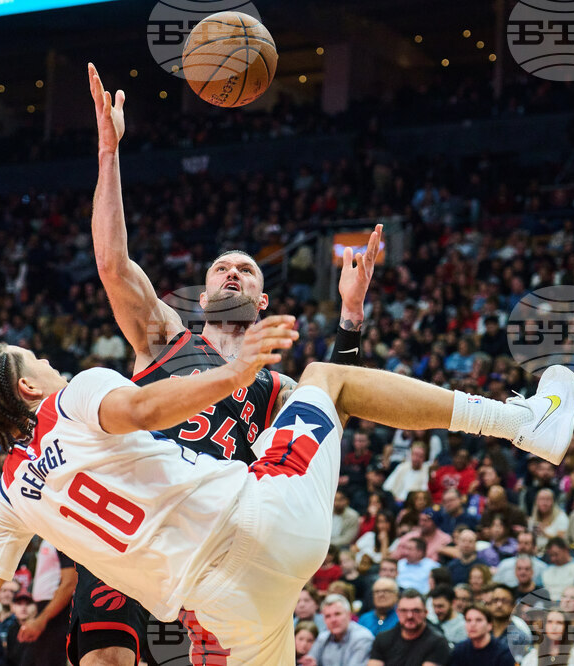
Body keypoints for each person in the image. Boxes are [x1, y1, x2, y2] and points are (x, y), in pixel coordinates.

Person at [0, 326, 574, 664]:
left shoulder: (7, 497)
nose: (48, 361)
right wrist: (234, 371)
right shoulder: (75, 395)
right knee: (329, 379)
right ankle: (524, 422)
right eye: (34, 360)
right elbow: (143, 409)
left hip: (228, 606)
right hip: (262, 518)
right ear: (26, 386)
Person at [72, 62, 386, 666]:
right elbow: (113, 264)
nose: (233, 271)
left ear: (263, 300)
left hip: (210, 540)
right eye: (222, 268)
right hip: (131, 517)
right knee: (106, 660)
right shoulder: (165, 334)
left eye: (246, 269)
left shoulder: (276, 384)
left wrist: (349, 319)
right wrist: (109, 153)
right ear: (204, 294)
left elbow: (334, 412)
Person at [367, 589, 451, 666]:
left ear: (425, 613)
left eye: (416, 611)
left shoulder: (438, 642)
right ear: (397, 612)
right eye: (404, 610)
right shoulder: (382, 638)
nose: (409, 616)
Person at [305, 594, 373, 666]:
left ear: (349, 615)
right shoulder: (323, 637)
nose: (333, 620)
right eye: (328, 616)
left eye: (337, 614)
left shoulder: (362, 638)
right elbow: (310, 661)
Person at [449, 604, 515, 666]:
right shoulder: (459, 650)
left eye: (478, 620)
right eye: (468, 620)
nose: (472, 624)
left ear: (489, 625)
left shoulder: (503, 653)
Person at [538, 537, 574, 602]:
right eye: (551, 555)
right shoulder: (546, 570)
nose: (553, 559)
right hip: (547, 605)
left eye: (556, 554)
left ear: (565, 550)